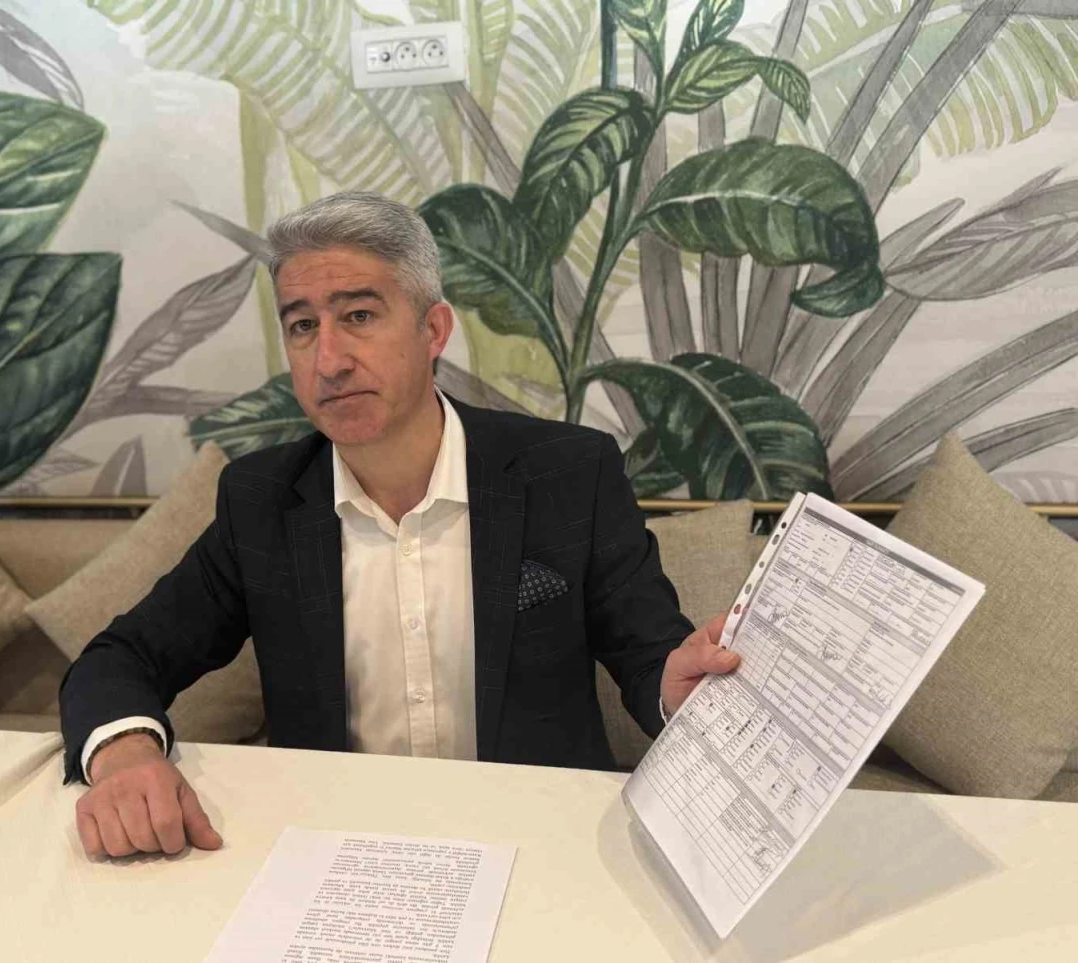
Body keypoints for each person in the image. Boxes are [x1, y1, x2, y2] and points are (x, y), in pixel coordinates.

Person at [60, 191, 741, 860]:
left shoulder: (568, 472)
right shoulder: (262, 501)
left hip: (538, 843)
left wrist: (672, 685)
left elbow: (650, 655)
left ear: (433, 330)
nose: (329, 360)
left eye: (359, 315)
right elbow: (122, 657)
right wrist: (124, 753)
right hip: (339, 846)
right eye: (303, 326)